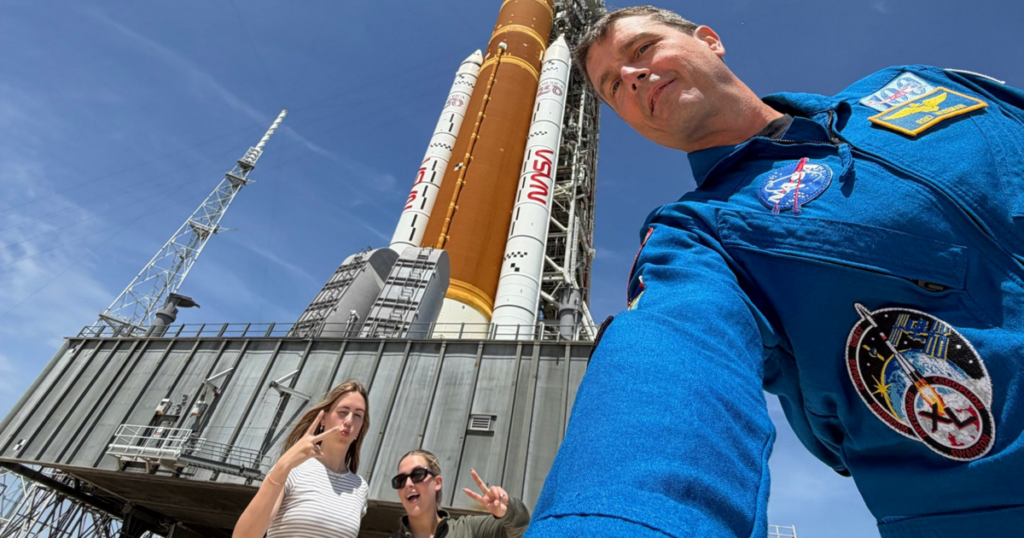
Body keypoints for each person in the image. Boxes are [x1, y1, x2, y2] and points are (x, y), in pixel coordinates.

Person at [524, 5, 1024, 538]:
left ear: (710, 40)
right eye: (612, 87)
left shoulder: (911, 85)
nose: (631, 76)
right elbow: (670, 363)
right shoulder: (697, 236)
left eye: (642, 49)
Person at [233, 380, 370, 538]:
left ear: (361, 428)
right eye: (343, 412)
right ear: (323, 419)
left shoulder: (359, 488)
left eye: (358, 415)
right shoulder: (292, 470)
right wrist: (283, 466)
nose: (349, 421)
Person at [390, 449, 530, 538]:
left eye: (417, 474)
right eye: (400, 480)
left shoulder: (469, 530)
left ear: (437, 482)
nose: (408, 484)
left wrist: (506, 510)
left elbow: (520, 528)